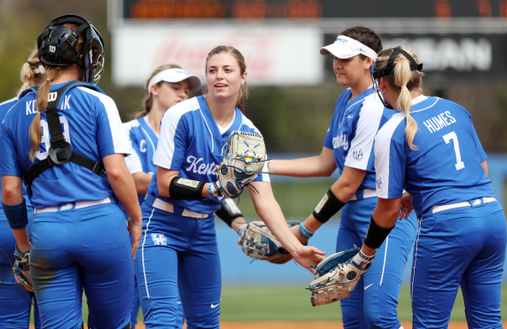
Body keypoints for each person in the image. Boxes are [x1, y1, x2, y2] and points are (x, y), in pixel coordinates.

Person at [134, 44, 325, 329]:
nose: (219, 76)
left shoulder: (249, 134)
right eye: (212, 70)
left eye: (227, 70)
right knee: (164, 320)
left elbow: (265, 200)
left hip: (202, 231)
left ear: (243, 76)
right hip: (162, 223)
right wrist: (211, 189)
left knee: (207, 322)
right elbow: (164, 183)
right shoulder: (181, 115)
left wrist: (295, 248)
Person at [268, 27, 417, 329]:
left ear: (368, 62)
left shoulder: (375, 105)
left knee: (379, 315)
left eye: (346, 57)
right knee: (353, 318)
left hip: (384, 211)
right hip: (351, 216)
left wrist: (303, 232)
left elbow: (348, 184)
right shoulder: (345, 100)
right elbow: (325, 164)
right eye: (335, 56)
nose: (337, 63)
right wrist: (265, 165)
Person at [0, 14, 142, 329]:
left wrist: (23, 246)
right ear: (83, 57)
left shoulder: (14, 113)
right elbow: (117, 173)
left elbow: (10, 192)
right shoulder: (96, 100)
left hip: (47, 229)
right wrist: (135, 218)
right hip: (100, 224)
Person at [356, 45, 507, 329]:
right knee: (487, 323)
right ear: (419, 77)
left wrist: (365, 254)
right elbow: (481, 171)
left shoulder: (391, 130)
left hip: (448, 227)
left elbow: (387, 212)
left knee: (429, 325)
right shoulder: (455, 109)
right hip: (491, 218)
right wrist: (419, 192)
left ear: (381, 83)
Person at [124, 63, 250, 326]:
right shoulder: (130, 131)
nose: (183, 93)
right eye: (175, 87)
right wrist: (189, 183)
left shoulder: (192, 128)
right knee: (124, 317)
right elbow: (136, 181)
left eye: (186, 89)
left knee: (177, 315)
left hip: (190, 226)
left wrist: (239, 223)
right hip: (137, 230)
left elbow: (210, 187)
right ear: (154, 89)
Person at [0, 47, 43, 329]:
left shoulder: (4, 111)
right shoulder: (75, 107)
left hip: (5, 222)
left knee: (9, 321)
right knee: (55, 321)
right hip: (51, 222)